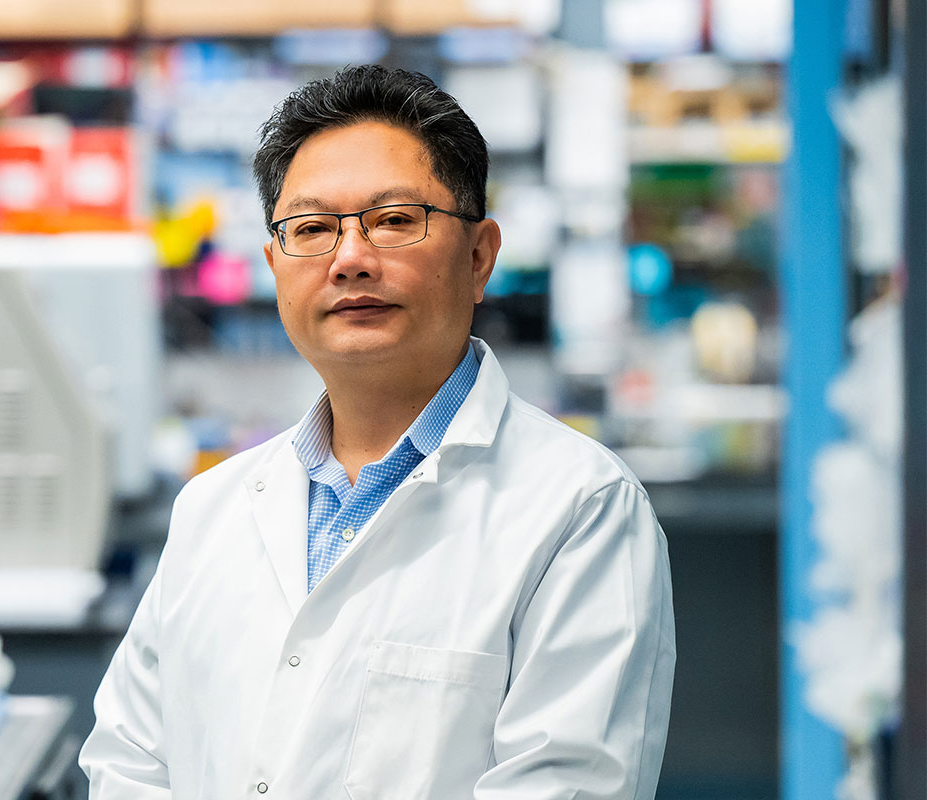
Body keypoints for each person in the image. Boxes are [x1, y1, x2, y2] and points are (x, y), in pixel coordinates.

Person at [80, 65, 676, 799]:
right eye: (311, 229)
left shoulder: (580, 510)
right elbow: (129, 762)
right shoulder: (212, 509)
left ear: (480, 255)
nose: (350, 258)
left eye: (394, 220)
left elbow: (566, 787)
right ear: (274, 267)